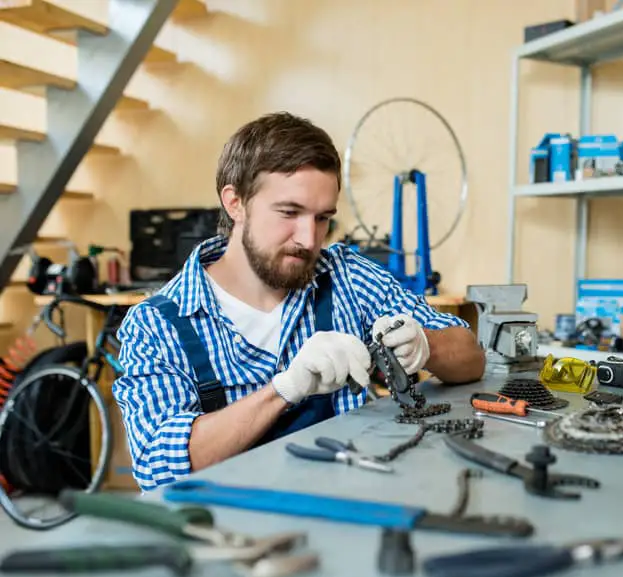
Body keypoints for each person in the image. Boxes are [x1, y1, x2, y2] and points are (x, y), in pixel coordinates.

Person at [112, 112, 486, 492]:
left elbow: (472, 357)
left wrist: (425, 343)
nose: (309, 239)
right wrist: (284, 390)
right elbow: (159, 469)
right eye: (289, 213)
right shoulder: (158, 325)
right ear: (235, 202)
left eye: (323, 218)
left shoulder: (347, 276)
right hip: (231, 536)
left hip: (347, 511)